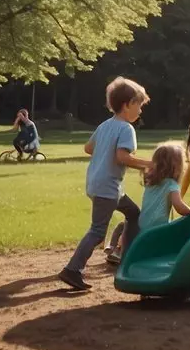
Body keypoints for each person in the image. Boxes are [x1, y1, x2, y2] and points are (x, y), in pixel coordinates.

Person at [59, 77, 153, 291]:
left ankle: (124, 253)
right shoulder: (127, 129)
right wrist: (150, 164)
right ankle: (72, 270)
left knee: (133, 213)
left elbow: (88, 148)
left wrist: (104, 152)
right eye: (139, 105)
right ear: (127, 104)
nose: (140, 110)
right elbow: (123, 157)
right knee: (97, 231)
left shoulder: (104, 125)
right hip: (107, 188)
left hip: (100, 184)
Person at [138, 142, 190, 232]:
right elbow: (179, 206)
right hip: (158, 227)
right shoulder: (171, 185)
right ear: (177, 167)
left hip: (143, 225)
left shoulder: (151, 181)